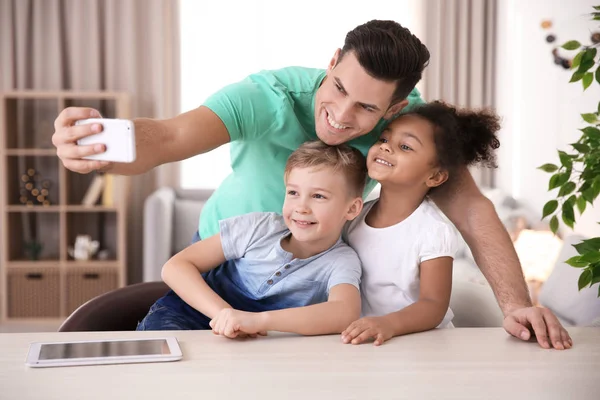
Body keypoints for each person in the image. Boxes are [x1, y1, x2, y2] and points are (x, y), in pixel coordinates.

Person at [52, 20, 571, 349]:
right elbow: (166, 138)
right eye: (339, 88)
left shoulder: (407, 134)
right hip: (228, 261)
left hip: (311, 283)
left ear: (394, 108)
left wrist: (516, 304)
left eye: (366, 107)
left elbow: (474, 212)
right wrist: (97, 149)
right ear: (331, 63)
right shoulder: (265, 95)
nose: (341, 116)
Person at [340, 102, 567, 347]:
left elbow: (433, 306)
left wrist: (388, 324)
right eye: (384, 138)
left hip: (421, 346)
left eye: (405, 146)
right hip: (368, 342)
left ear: (436, 176)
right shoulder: (354, 216)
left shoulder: (433, 231)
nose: (385, 147)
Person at [136, 141, 366, 336]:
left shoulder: (341, 260)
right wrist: (225, 315)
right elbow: (175, 267)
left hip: (255, 338)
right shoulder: (259, 227)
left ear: (352, 208)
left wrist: (259, 321)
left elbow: (344, 312)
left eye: (318, 196)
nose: (301, 207)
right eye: (293, 193)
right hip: (183, 317)